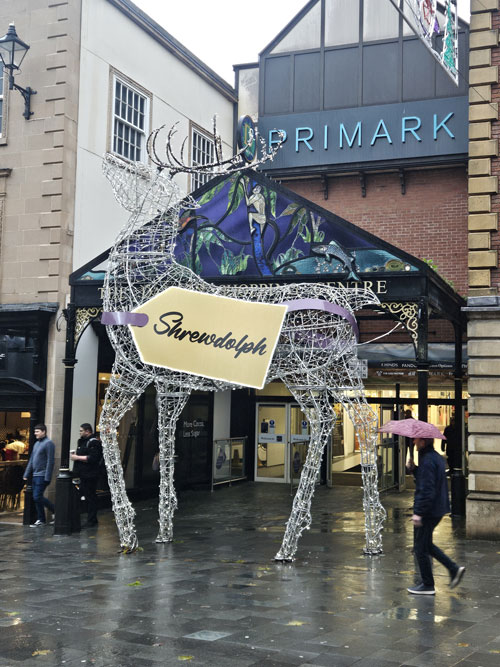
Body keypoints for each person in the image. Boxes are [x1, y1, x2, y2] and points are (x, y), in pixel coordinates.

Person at [406, 437, 465, 595]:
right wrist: (414, 469)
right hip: (436, 508)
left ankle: (428, 584)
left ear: (423, 442)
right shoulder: (435, 457)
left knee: (420, 547)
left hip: (429, 511)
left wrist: (418, 513)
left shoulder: (427, 460)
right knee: (426, 545)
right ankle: (453, 569)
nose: (414, 442)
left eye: (416, 440)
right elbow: (427, 479)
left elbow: (426, 489)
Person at [23, 424, 55, 527]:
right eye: (35, 431)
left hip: (42, 475)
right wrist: (26, 473)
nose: (35, 433)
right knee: (37, 497)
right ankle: (41, 519)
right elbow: (32, 460)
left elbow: (50, 461)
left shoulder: (49, 443)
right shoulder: (36, 444)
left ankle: (55, 511)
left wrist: (47, 476)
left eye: (37, 431)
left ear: (43, 432)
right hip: (35, 475)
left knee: (37, 497)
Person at [71, 423, 102, 527]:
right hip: (82, 473)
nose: (80, 433)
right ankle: (88, 518)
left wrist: (77, 457)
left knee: (90, 496)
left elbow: (93, 458)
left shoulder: (94, 442)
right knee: (84, 496)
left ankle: (91, 519)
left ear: (87, 431)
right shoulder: (81, 441)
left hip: (90, 474)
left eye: (81, 431)